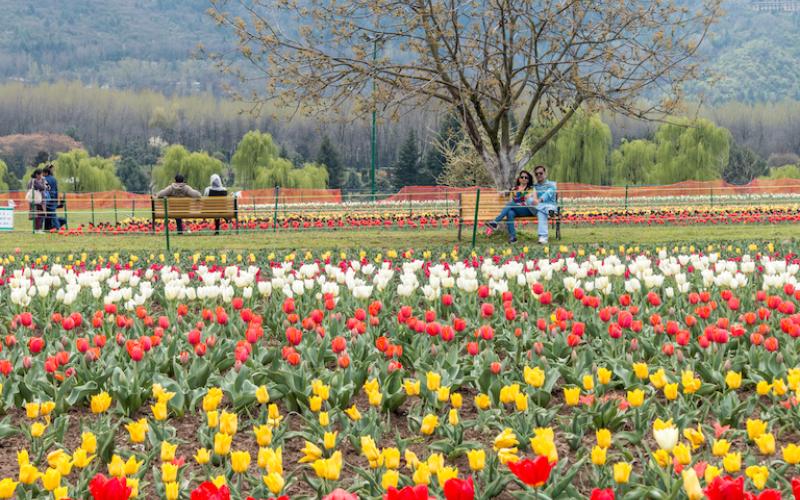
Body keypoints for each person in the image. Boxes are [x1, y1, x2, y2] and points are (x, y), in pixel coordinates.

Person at [487, 165, 557, 244]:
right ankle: (513, 237)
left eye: (526, 177)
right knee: (510, 212)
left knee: (512, 204)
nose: (523, 179)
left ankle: (496, 221)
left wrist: (531, 197)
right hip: (518, 209)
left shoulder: (531, 188)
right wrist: (502, 192)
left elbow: (536, 198)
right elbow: (507, 191)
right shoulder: (515, 188)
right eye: (522, 177)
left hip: (527, 209)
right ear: (519, 178)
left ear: (528, 179)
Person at [42, 165, 61, 230]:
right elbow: (56, 189)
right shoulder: (54, 179)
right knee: (51, 213)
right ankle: (47, 228)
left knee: (51, 214)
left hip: (48, 198)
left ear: (46, 173)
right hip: (54, 197)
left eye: (43, 173)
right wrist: (57, 200)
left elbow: (46, 189)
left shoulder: (44, 179)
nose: (42, 174)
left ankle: (57, 227)